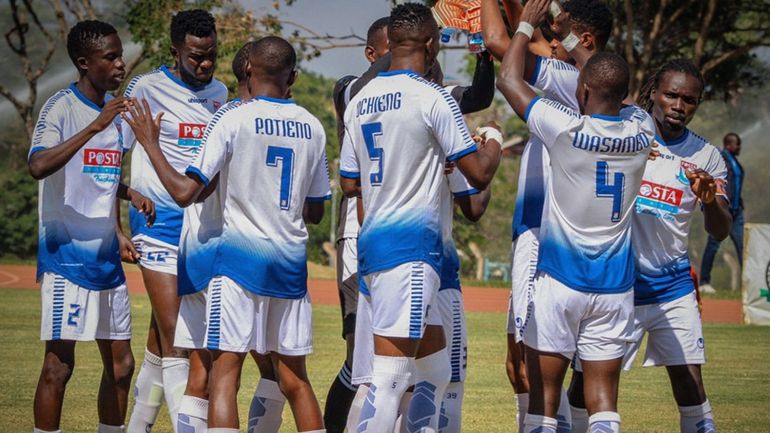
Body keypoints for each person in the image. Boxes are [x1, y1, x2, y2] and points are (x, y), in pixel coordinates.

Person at [125, 35, 331, 433]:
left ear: (248, 67)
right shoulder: (312, 125)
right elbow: (317, 209)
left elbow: (187, 193)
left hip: (232, 264)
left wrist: (150, 143)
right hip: (289, 265)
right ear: (292, 74)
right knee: (294, 379)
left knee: (221, 372)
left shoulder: (231, 118)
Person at [339, 4, 502, 432]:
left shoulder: (359, 101)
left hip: (373, 246)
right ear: (432, 45)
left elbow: (349, 183)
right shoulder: (434, 97)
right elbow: (479, 174)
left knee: (434, 372)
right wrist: (495, 141)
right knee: (389, 381)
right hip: (412, 251)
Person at [496, 0, 657, 431]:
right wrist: (569, 38)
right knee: (603, 402)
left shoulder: (566, 131)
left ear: (581, 91)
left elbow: (509, 77)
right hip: (614, 288)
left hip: (560, 281)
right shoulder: (642, 127)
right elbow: (601, 72)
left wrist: (528, 24)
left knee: (543, 402)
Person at [569, 59, 730, 433]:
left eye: (689, 100)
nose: (679, 105)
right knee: (584, 389)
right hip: (614, 288)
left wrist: (708, 199)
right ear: (654, 93)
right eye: (671, 95)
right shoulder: (625, 128)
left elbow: (720, 229)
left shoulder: (707, 157)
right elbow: (593, 81)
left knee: (691, 386)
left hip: (671, 289)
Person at [481, 0, 613, 430]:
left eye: (559, 35)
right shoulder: (608, 95)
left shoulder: (569, 78)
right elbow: (533, 32)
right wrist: (531, 15)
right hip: (571, 239)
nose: (548, 42)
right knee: (539, 362)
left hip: (542, 233)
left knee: (531, 362)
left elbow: (502, 42)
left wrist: (514, 17)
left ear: (583, 41)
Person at [28, 20, 155, 433]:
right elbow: (38, 165)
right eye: (111, 57)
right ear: (84, 63)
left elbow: (98, 175)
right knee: (59, 367)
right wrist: (94, 126)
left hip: (106, 261)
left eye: (120, 55)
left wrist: (127, 197)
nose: (121, 64)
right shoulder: (60, 107)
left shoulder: (118, 114)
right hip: (66, 258)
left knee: (122, 365)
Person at [122, 9, 228, 433]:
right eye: (195, 56)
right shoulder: (145, 88)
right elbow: (113, 156)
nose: (204, 65)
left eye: (211, 55)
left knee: (158, 344)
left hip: (201, 231)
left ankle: (137, 427)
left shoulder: (221, 93)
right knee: (179, 341)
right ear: (175, 51)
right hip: (157, 225)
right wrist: (116, 224)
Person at [324, 17, 390, 433]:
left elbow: (475, 97)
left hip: (404, 239)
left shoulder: (420, 93)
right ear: (371, 53)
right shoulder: (352, 86)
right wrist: (402, 54)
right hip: (357, 234)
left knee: (398, 362)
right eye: (394, 46)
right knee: (358, 357)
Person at [700, 132, 744, 292]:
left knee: (743, 247)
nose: (739, 147)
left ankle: (748, 283)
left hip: (737, 212)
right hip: (724, 212)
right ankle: (704, 282)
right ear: (728, 145)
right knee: (713, 246)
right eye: (737, 144)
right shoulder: (721, 158)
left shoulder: (735, 162)